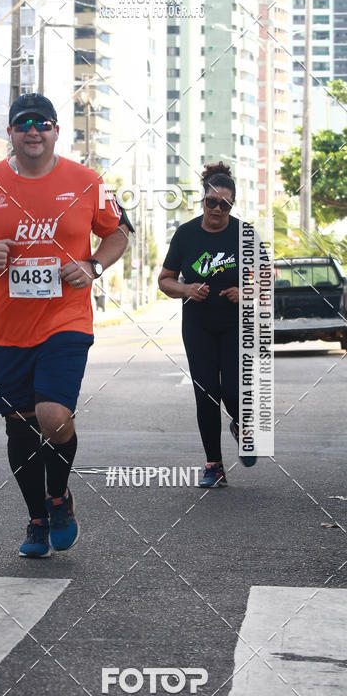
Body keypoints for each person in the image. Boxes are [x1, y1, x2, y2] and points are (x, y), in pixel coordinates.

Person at [0, 93, 130, 557]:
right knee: (19, 426)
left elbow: (118, 232)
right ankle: (37, 518)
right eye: (23, 124)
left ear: (55, 131)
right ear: (10, 132)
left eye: (42, 124)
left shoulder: (86, 181)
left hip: (67, 318)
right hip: (9, 327)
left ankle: (60, 496)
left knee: (52, 415)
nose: (33, 131)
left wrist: (92, 266)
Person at [157, 161, 257, 489]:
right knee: (206, 393)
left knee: (231, 388)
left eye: (224, 204)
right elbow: (165, 280)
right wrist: (185, 289)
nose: (217, 209)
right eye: (211, 202)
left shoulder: (244, 234)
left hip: (234, 326)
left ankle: (242, 424)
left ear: (232, 204)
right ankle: (214, 465)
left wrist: (245, 291)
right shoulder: (186, 234)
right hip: (198, 326)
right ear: (203, 201)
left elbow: (269, 277)